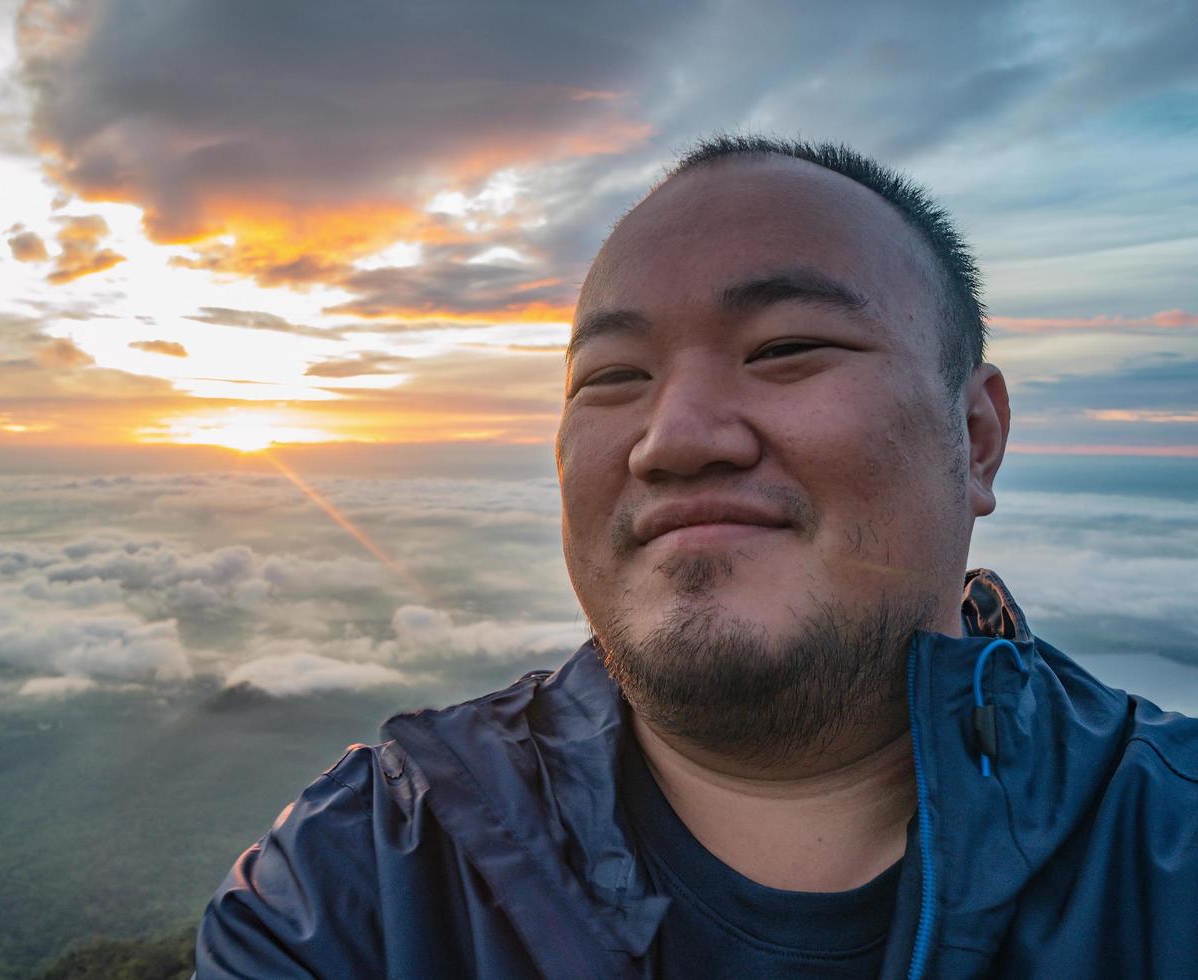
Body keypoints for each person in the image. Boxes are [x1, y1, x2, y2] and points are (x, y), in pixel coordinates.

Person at [195, 137, 1198, 979]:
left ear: (974, 437)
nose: (671, 437)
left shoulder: (1171, 850)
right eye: (614, 376)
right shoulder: (364, 879)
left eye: (786, 346)